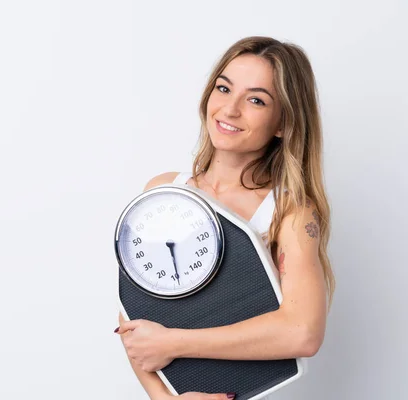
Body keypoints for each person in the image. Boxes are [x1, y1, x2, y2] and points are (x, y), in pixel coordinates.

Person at [115, 36, 335, 400]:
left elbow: (302, 332)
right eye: (223, 88)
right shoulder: (164, 191)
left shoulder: (289, 212)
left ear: (282, 123)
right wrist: (166, 399)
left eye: (255, 100)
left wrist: (174, 343)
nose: (230, 110)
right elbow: (135, 312)